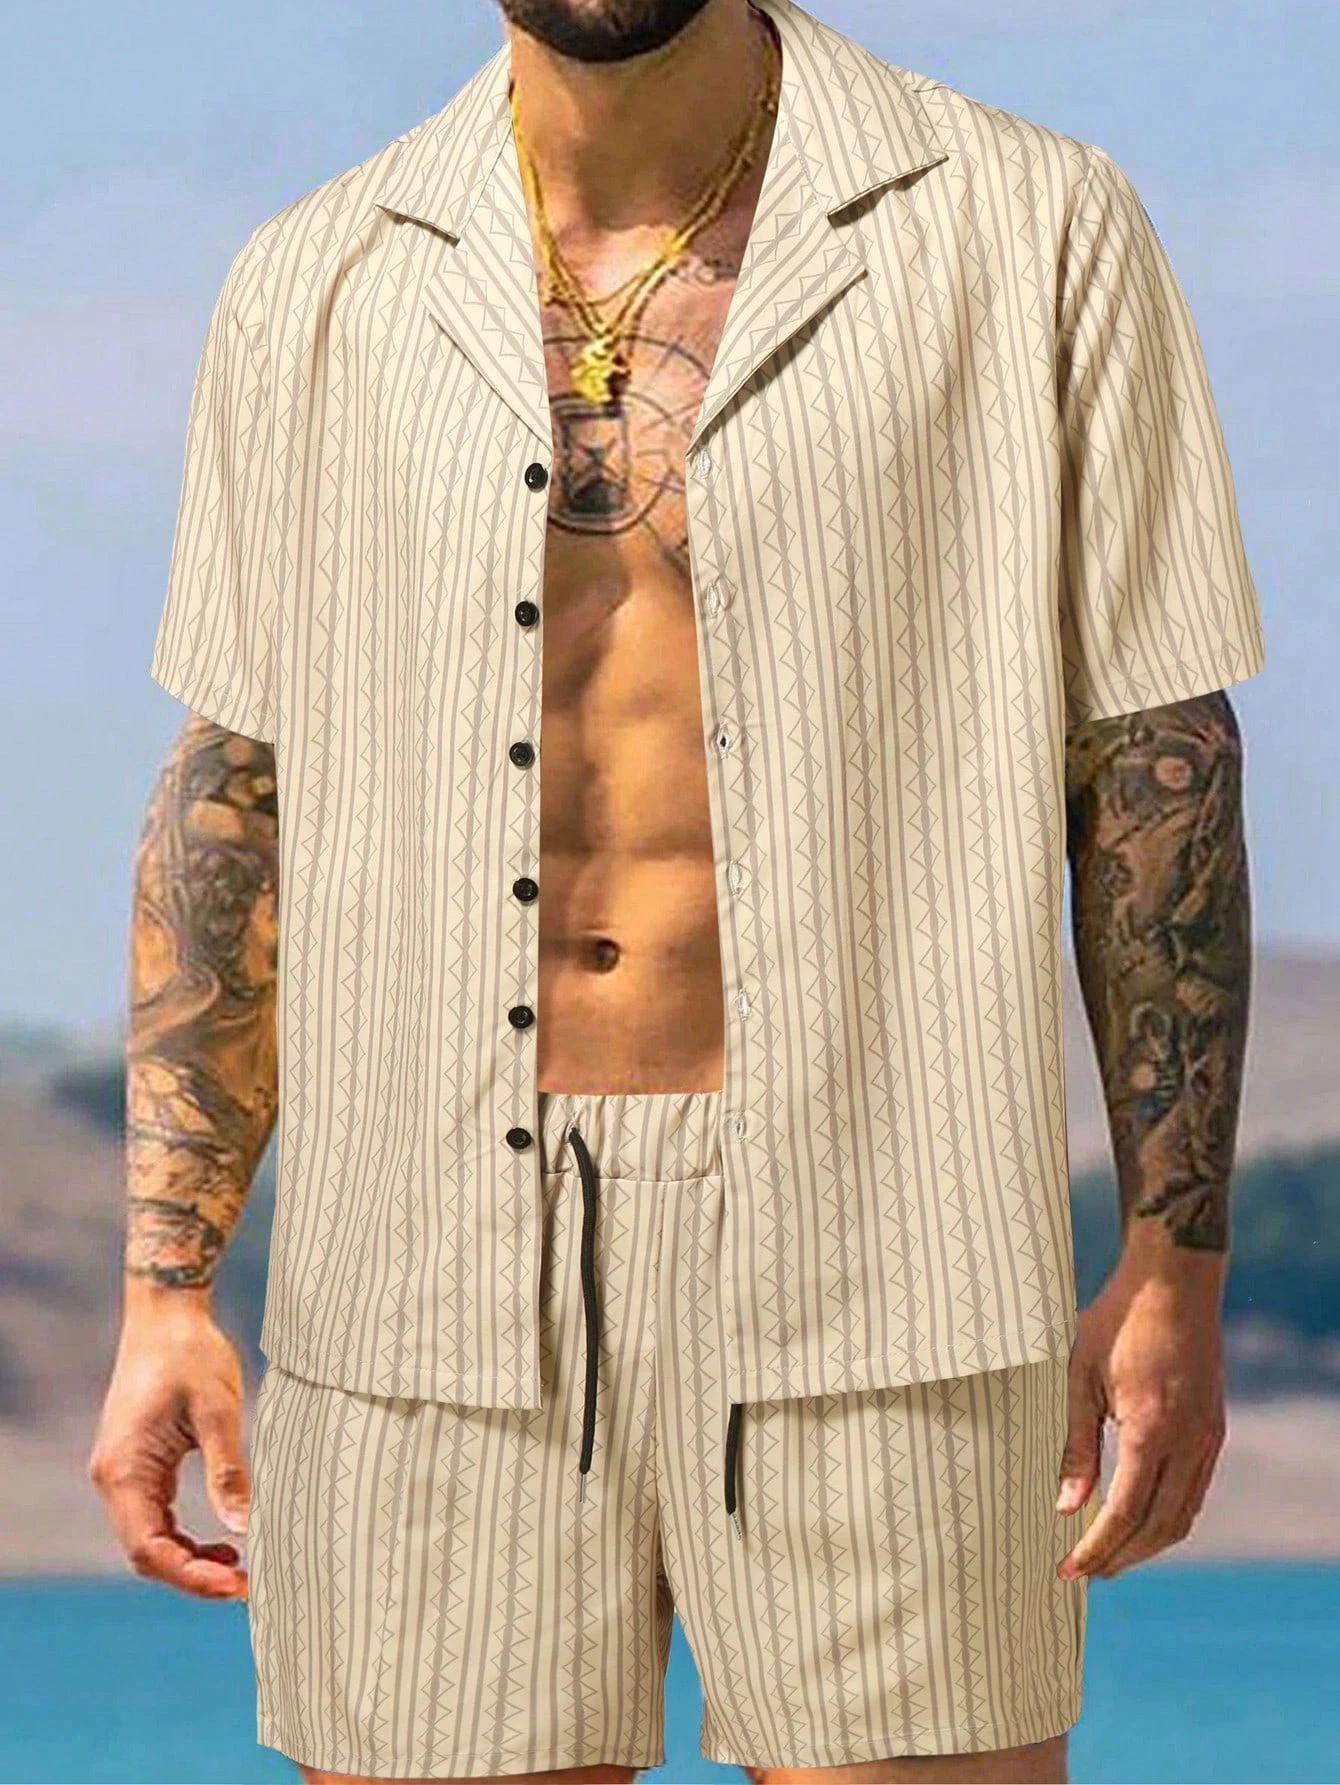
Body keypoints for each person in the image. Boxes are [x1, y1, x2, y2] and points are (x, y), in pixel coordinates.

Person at [89, 0, 1266, 1780]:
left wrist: (1175, 1264)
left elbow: (1157, 760)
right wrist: (165, 1288)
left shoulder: (1033, 224)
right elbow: (232, 790)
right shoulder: (312, 282)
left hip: (892, 1239)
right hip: (416, 1262)